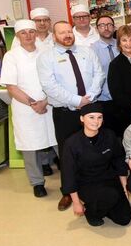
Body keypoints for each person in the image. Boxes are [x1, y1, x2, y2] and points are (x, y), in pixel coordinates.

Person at [37, 21, 105, 211]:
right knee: (67, 154)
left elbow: (99, 75)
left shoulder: (87, 52)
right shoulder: (46, 58)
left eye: (69, 31)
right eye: (62, 32)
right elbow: (50, 86)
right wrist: (76, 101)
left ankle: (96, 185)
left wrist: (89, 97)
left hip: (91, 109)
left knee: (95, 149)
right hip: (66, 113)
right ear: (54, 36)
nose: (67, 35)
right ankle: (68, 192)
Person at [0, 19, 58, 198]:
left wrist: (45, 102)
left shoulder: (47, 53)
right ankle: (37, 182)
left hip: (49, 104)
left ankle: (71, 179)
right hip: (25, 109)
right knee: (30, 146)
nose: (28, 36)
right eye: (23, 33)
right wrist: (33, 103)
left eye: (31, 32)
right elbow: (11, 87)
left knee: (58, 141)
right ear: (17, 36)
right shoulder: (11, 56)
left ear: (36, 33)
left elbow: (57, 79)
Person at [61, 102, 131, 227]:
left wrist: (125, 188)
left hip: (108, 178)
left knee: (124, 218)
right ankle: (91, 213)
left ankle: (105, 206)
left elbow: (119, 161)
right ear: (82, 118)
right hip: (86, 182)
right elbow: (68, 173)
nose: (96, 121)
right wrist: (76, 202)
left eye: (99, 117)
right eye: (91, 117)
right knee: (111, 195)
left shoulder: (109, 135)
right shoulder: (72, 143)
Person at [90, 15, 120, 133]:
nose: (106, 28)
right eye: (102, 25)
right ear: (97, 29)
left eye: (109, 25)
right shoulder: (92, 50)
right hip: (104, 99)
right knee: (109, 133)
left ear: (114, 27)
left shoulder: (122, 45)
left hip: (123, 97)